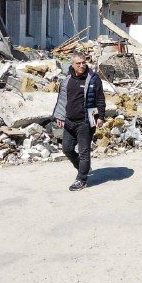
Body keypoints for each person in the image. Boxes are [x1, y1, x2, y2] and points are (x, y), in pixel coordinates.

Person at [53, 52, 106, 191]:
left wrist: (100, 117)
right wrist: (60, 116)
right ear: (72, 65)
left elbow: (100, 99)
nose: (82, 65)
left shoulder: (94, 79)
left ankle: (81, 179)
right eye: (78, 63)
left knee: (84, 152)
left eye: (83, 62)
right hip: (69, 121)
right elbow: (62, 99)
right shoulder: (67, 79)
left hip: (86, 121)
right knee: (67, 149)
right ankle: (84, 168)